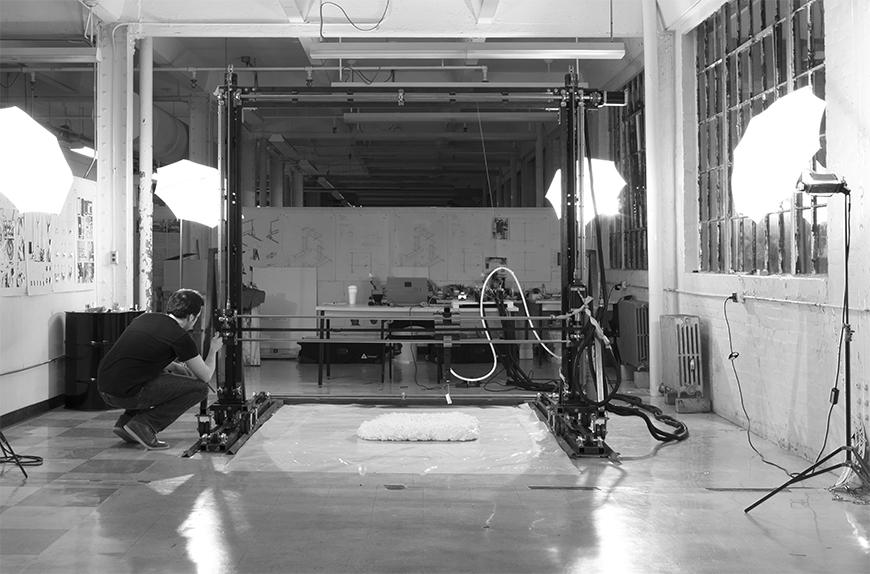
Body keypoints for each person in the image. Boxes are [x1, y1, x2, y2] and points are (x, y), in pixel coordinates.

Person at [97, 289, 223, 450]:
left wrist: (177, 368)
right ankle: (144, 426)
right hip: (125, 393)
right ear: (191, 317)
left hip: (104, 388)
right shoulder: (180, 337)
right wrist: (214, 349)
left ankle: (125, 423)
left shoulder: (145, 318)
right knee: (199, 389)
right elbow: (205, 376)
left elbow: (142, 357)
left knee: (152, 374)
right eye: (197, 317)